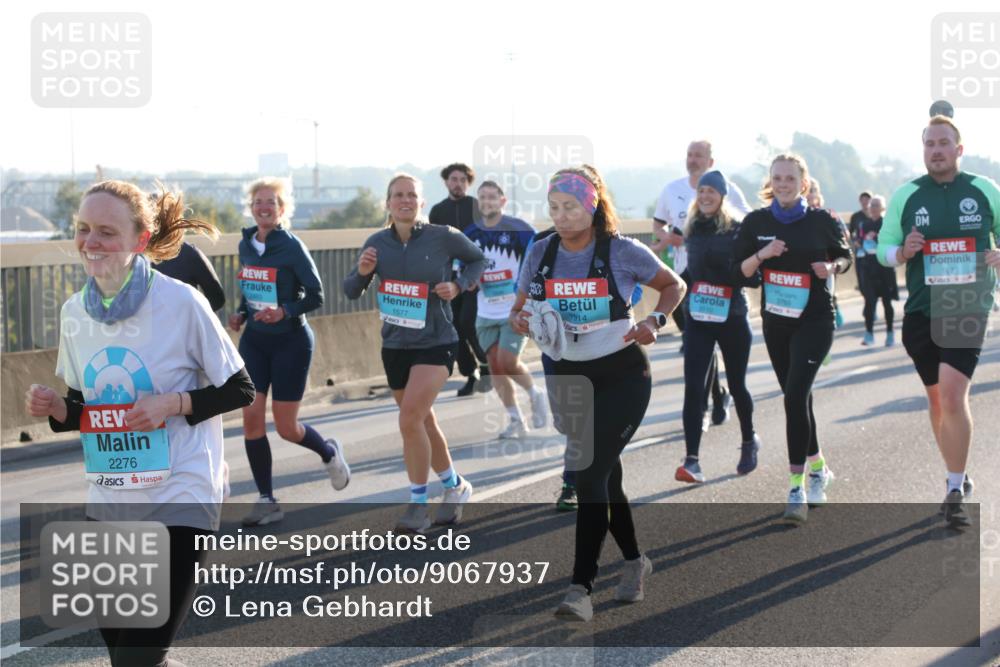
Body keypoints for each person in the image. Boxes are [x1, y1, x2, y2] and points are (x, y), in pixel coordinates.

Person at [25, 179, 255, 667]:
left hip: (182, 494)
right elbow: (83, 412)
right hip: (113, 497)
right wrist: (54, 408)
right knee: (122, 650)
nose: (91, 242)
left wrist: (172, 404)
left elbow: (241, 389)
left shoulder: (182, 302)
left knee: (137, 658)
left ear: (141, 241)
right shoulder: (74, 314)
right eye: (84, 229)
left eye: (107, 231)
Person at [510, 166, 685, 621]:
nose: (562, 217)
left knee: (588, 475)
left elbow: (673, 285)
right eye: (554, 208)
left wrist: (654, 322)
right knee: (605, 479)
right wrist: (522, 321)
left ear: (591, 205)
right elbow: (519, 308)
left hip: (622, 376)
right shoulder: (541, 250)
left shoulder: (622, 251)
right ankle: (635, 562)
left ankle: (580, 590)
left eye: (570, 207)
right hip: (566, 375)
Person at [344, 173, 486, 533]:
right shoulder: (377, 242)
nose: (404, 200)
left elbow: (478, 261)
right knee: (422, 421)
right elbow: (350, 289)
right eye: (397, 195)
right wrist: (362, 272)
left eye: (411, 195)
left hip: (437, 341)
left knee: (409, 419)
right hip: (395, 345)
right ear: (388, 203)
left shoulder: (442, 237)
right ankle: (455, 486)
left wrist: (458, 285)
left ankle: (417, 505)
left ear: (421, 202)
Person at [877, 115, 1000, 527]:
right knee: (936, 402)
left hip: (968, 303)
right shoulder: (907, 195)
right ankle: (957, 473)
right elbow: (883, 247)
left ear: (959, 149)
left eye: (944, 143)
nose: (936, 150)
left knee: (951, 394)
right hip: (921, 311)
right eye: (929, 144)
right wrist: (903, 252)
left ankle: (952, 488)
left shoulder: (983, 190)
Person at [734, 154, 852, 524]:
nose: (783, 184)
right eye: (777, 178)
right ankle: (819, 468)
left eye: (790, 178)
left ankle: (796, 486)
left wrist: (831, 267)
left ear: (803, 183)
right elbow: (740, 272)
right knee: (796, 398)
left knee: (796, 395)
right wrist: (762, 253)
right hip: (776, 322)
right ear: (771, 183)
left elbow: (846, 258)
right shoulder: (756, 222)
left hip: (816, 319)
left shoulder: (822, 220)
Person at [229, 177, 350, 527]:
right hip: (254, 340)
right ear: (251, 209)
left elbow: (315, 295)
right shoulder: (246, 244)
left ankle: (328, 452)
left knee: (285, 427)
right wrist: (241, 311)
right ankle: (267, 500)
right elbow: (250, 284)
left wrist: (284, 310)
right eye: (258, 203)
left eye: (271, 202)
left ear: (282, 210)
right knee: (251, 417)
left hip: (291, 342)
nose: (264, 207)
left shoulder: (293, 247)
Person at [653, 140, 751, 427]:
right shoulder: (672, 189)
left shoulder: (726, 188)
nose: (692, 160)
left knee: (706, 342)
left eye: (699, 156)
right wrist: (669, 237)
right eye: (689, 155)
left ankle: (712, 402)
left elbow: (746, 220)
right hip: (683, 276)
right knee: (697, 343)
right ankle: (717, 396)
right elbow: (658, 225)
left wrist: (708, 234)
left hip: (717, 275)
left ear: (711, 161)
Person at [675, 171, 762, 484]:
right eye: (702, 191)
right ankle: (692, 461)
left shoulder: (738, 230)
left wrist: (735, 276)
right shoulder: (691, 228)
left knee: (737, 385)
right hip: (698, 317)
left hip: (733, 316)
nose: (706, 196)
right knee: (693, 387)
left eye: (712, 191)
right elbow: (689, 273)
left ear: (723, 195)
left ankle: (750, 440)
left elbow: (753, 277)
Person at [466, 180, 549, 438]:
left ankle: (536, 395)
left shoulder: (520, 230)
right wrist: (467, 280)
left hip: (516, 309)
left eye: (492, 197)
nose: (487, 201)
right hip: (485, 312)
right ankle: (515, 419)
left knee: (507, 361)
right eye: (482, 197)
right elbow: (462, 267)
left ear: (502, 201)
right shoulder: (470, 234)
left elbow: (540, 257)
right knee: (495, 367)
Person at [429, 163, 490, 396]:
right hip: (447, 279)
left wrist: (480, 274)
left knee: (468, 323)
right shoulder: (437, 211)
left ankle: (486, 368)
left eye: (463, 180)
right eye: (454, 179)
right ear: (446, 182)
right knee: (454, 328)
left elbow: (489, 241)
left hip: (475, 277)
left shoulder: (478, 207)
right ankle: (470, 374)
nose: (458, 184)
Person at [856, 195, 899, 346]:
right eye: (871, 205)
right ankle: (869, 334)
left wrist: (880, 237)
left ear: (882, 208)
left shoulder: (887, 224)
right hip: (869, 267)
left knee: (887, 303)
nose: (873, 208)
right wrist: (864, 239)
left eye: (876, 205)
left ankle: (890, 333)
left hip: (885, 268)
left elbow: (895, 241)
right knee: (869, 302)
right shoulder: (864, 224)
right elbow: (858, 241)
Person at [153, 240, 227, 312]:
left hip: (148, 322)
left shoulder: (143, 256)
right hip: (185, 321)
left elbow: (217, 299)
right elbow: (217, 299)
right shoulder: (189, 252)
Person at [849, 191, 873, 294]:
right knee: (862, 282)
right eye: (862, 199)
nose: (865, 201)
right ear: (860, 201)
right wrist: (854, 242)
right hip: (860, 252)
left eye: (867, 199)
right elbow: (850, 233)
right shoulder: (856, 216)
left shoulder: (875, 215)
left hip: (873, 253)